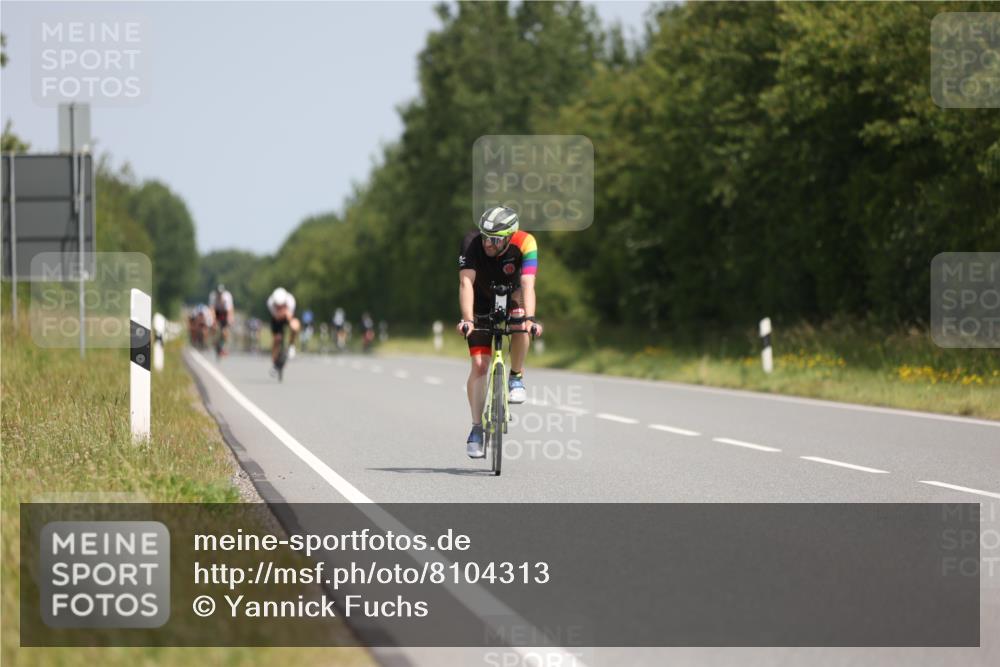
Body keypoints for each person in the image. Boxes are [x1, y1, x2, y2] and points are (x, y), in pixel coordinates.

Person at [457, 206, 542, 458]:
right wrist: (467, 320)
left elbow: (528, 283)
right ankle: (476, 428)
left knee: (520, 320)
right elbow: (465, 282)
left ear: (508, 237)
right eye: (485, 236)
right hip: (480, 301)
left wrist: (530, 318)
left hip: (513, 295)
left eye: (494, 239)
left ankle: (516, 376)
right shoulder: (472, 243)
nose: (487, 243)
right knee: (480, 366)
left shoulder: (526, 242)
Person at [266, 287, 300, 376]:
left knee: (295, 326)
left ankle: (291, 345)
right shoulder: (270, 302)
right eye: (278, 305)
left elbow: (290, 317)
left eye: (281, 304)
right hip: (276, 319)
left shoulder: (291, 301)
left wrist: (286, 314)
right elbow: (276, 317)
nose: (279, 306)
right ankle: (274, 364)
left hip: (287, 316)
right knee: (276, 339)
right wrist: (280, 312)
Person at [210, 283, 235, 356]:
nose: (219, 294)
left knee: (225, 332)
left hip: (224, 313)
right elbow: (212, 309)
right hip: (216, 312)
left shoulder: (227, 297)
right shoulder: (213, 296)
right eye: (218, 293)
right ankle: (215, 341)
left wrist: (230, 320)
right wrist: (213, 321)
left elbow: (230, 311)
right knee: (214, 328)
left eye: (221, 293)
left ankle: (223, 346)